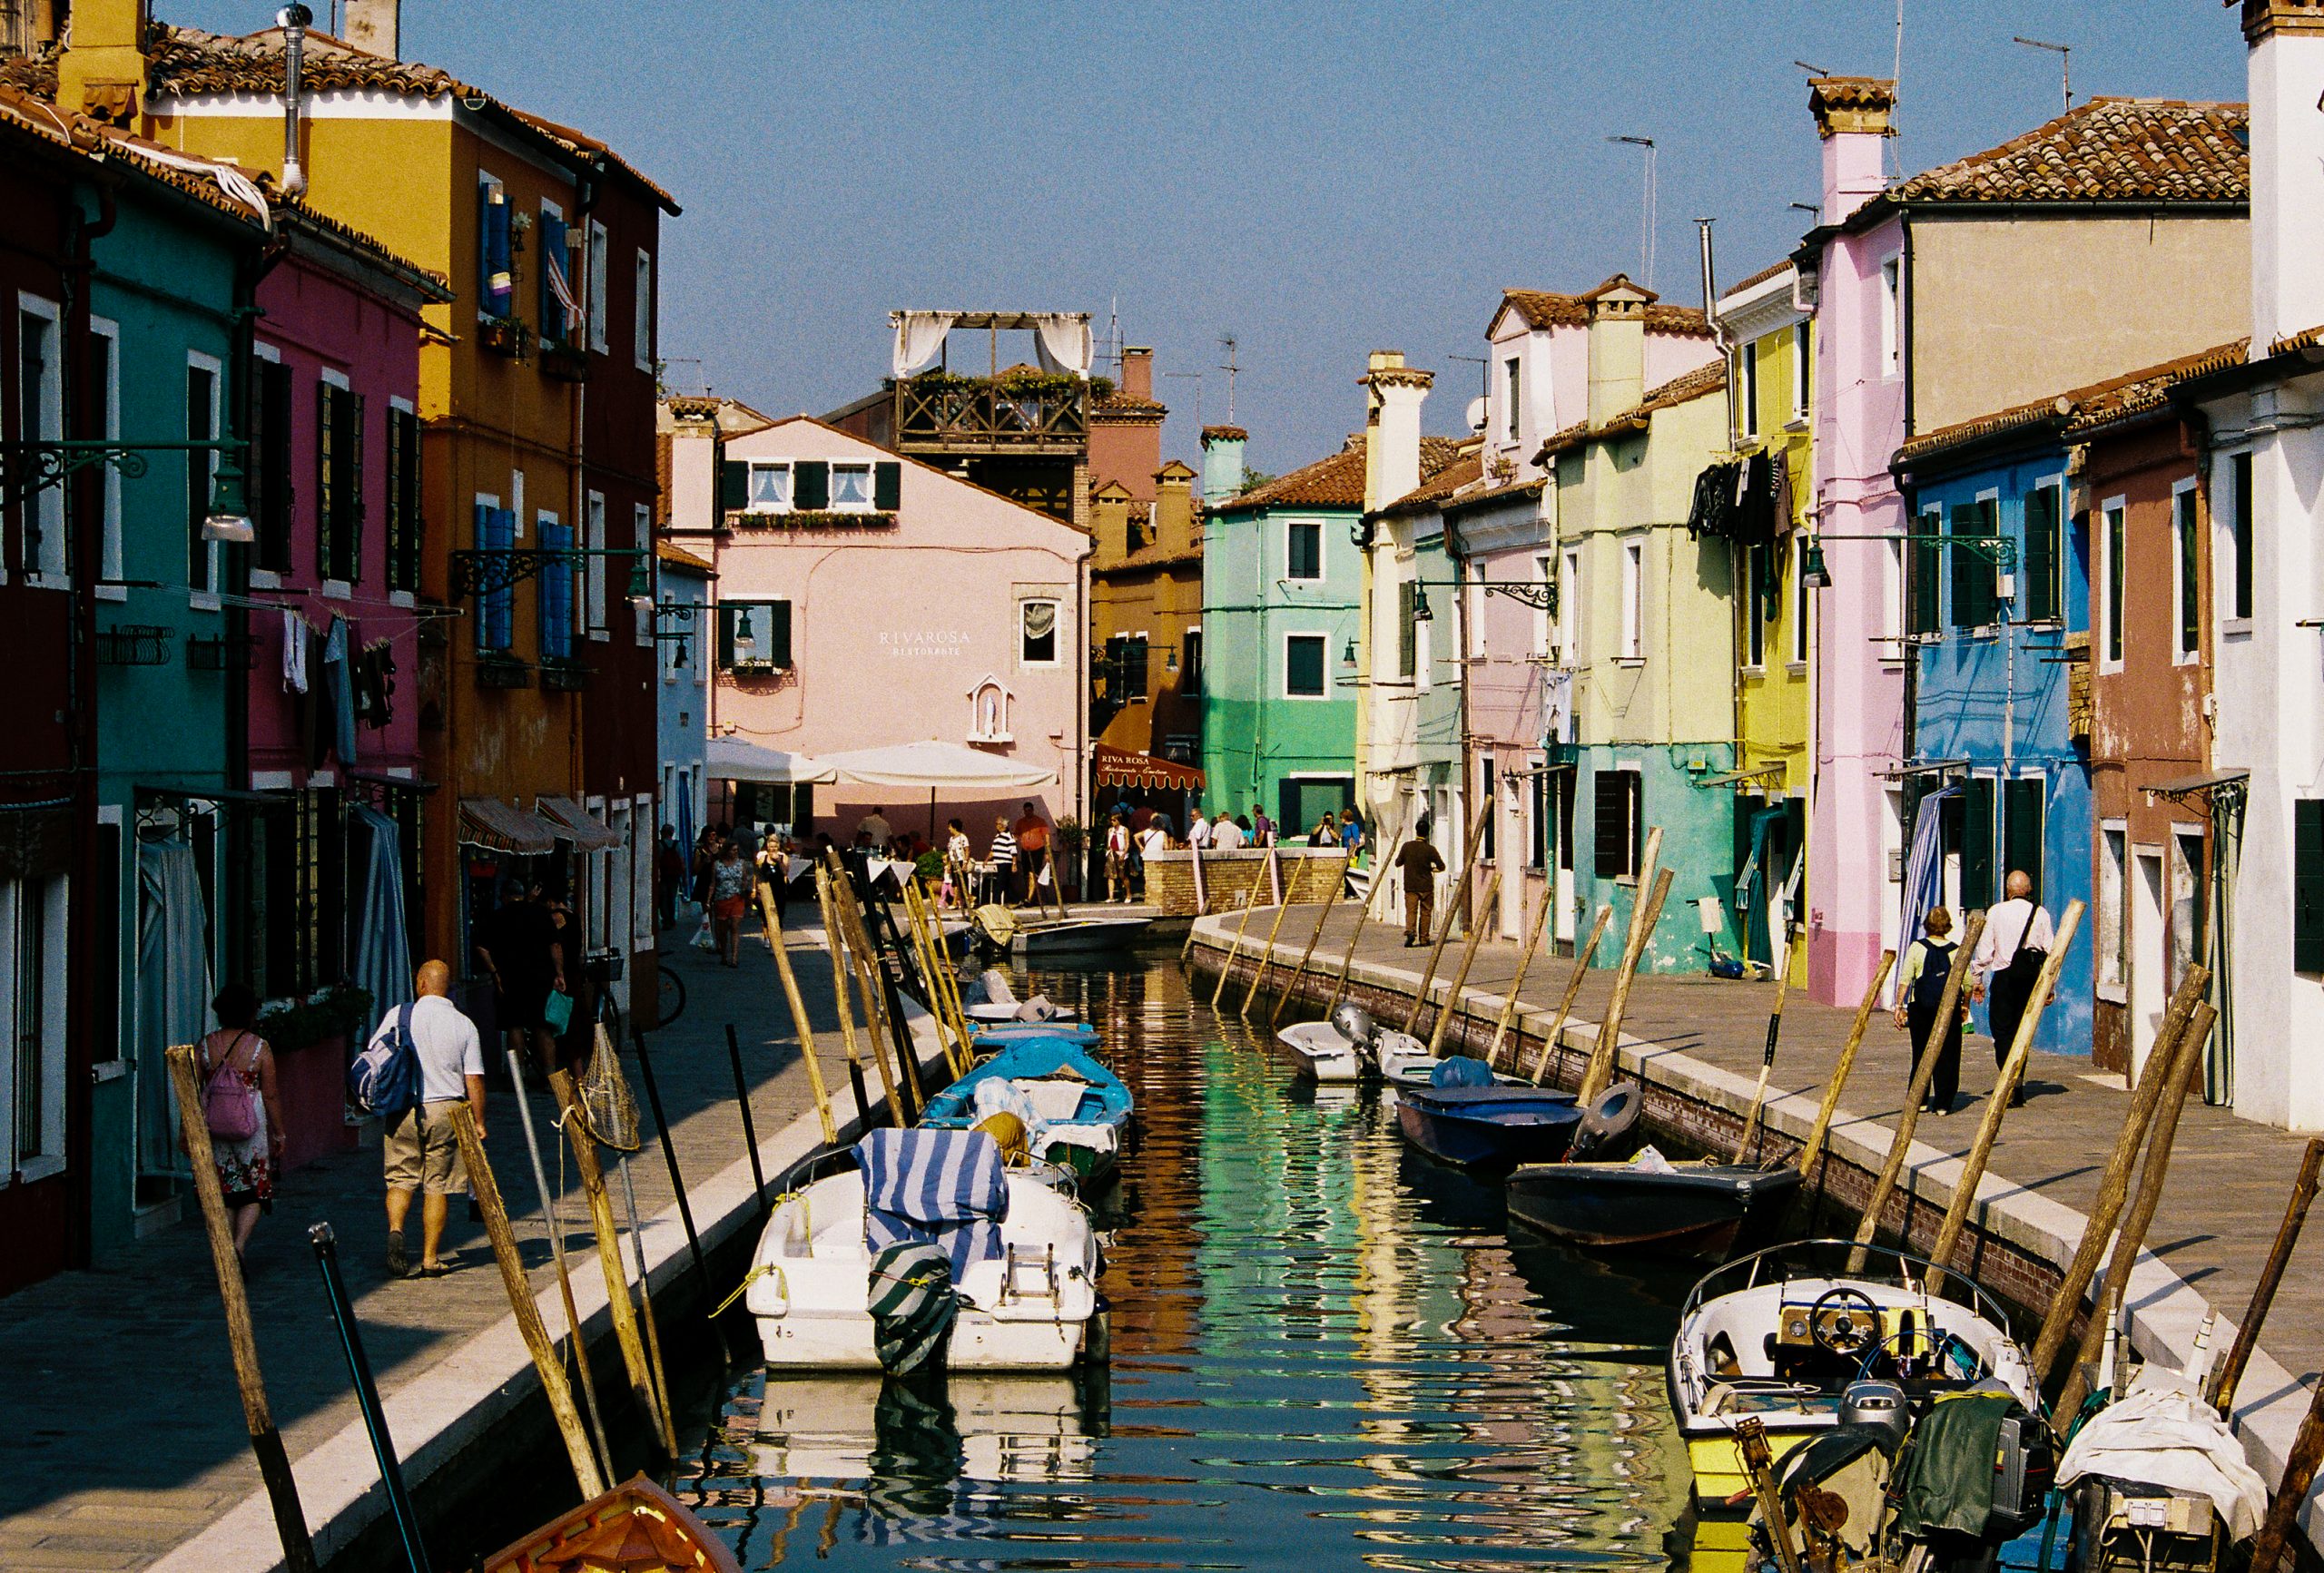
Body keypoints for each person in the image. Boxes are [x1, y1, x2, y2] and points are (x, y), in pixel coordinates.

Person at [376, 960, 487, 1279]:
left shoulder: (398, 1015)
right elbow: (474, 1079)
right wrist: (479, 1122)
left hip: (402, 1107)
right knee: (437, 1184)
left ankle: (396, 1229)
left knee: (400, 1177)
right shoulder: (464, 1024)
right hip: (446, 1109)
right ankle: (429, 1258)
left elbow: (376, 1055)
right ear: (447, 987)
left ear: (421, 984)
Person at [192, 983, 287, 1265]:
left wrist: (189, 1130)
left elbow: (194, 1090)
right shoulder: (259, 1048)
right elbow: (270, 1094)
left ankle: (227, 1247)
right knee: (255, 1187)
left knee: (225, 1188)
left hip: (214, 1122)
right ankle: (239, 1243)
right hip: (250, 1125)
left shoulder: (206, 1045)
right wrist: (279, 1133)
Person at [1972, 870, 2056, 1105]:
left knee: (2002, 1033)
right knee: (2023, 1031)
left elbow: (1985, 951)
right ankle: (2016, 1082)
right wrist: (2050, 986)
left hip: (2004, 979)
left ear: (2008, 891)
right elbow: (2052, 952)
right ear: (2028, 890)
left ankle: (2009, 1080)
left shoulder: (1996, 912)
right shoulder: (2041, 913)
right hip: (2031, 980)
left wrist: (1977, 980)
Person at [473, 879, 564, 1079]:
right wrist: (559, 973)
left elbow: (481, 947)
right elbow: (555, 945)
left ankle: (518, 1076)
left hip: (510, 979)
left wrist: (494, 972)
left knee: (514, 1026)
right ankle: (552, 1076)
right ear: (522, 894)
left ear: (505, 896)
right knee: (543, 1026)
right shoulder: (541, 913)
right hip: (540, 978)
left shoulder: (497, 916)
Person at [1893, 907, 1967, 1114]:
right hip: (1948, 1009)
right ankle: (1943, 1103)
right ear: (1948, 926)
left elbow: (1906, 979)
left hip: (1920, 1008)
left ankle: (1921, 1099)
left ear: (1927, 925)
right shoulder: (1955, 950)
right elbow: (1967, 982)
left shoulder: (1917, 948)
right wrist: (1965, 1005)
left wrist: (1899, 1006)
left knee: (1920, 1052)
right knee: (1949, 1054)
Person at [1395, 824, 1445, 946]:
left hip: (1411, 886)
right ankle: (1424, 938)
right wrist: (1432, 869)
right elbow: (1442, 867)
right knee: (1426, 912)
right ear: (1427, 833)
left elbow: (1398, 863)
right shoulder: (1430, 849)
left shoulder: (1407, 846)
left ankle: (1411, 931)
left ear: (1416, 830)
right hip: (1426, 886)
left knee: (1411, 911)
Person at [709, 840, 753, 967]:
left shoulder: (741, 864)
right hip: (721, 898)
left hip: (737, 898)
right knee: (722, 930)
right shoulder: (717, 865)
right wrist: (708, 901)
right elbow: (713, 884)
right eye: (733, 850)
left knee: (734, 927)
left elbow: (744, 880)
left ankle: (734, 957)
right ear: (727, 851)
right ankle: (723, 955)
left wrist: (746, 890)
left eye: (737, 850)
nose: (736, 852)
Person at [1013, 801, 1050, 906]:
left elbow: (1046, 836)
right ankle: (1031, 896)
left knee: (1032, 874)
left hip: (1038, 850)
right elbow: (1016, 835)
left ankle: (1029, 899)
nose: (1028, 812)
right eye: (1026, 811)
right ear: (1024, 811)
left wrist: (1047, 852)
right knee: (1026, 875)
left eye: (1029, 810)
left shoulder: (1040, 821)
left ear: (1033, 810)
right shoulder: (1020, 822)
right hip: (1025, 850)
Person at [654, 824, 686, 930]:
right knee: (672, 897)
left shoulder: (659, 844)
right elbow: (682, 861)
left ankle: (666, 920)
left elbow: (656, 861)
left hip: (663, 875)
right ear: (672, 833)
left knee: (663, 897)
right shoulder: (678, 844)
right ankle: (671, 919)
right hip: (675, 875)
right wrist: (684, 876)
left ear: (662, 832)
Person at [988, 815, 1017, 907]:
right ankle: (1015, 900)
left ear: (1004, 825)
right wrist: (986, 861)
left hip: (1005, 863)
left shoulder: (1009, 836)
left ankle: (995, 903)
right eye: (996, 824)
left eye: (998, 824)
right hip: (999, 863)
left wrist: (1014, 864)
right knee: (1006, 883)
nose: (997, 826)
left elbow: (1013, 851)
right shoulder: (997, 836)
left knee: (1000, 883)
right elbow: (992, 851)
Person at [1105, 811, 1132, 902]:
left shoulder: (1124, 830)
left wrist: (1124, 853)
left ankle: (1128, 894)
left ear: (1119, 821)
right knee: (1110, 875)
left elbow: (1127, 842)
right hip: (1112, 853)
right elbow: (1109, 841)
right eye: (1111, 820)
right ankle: (1111, 896)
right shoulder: (1110, 830)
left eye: (1114, 820)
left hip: (1121, 853)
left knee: (1122, 875)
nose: (1112, 822)